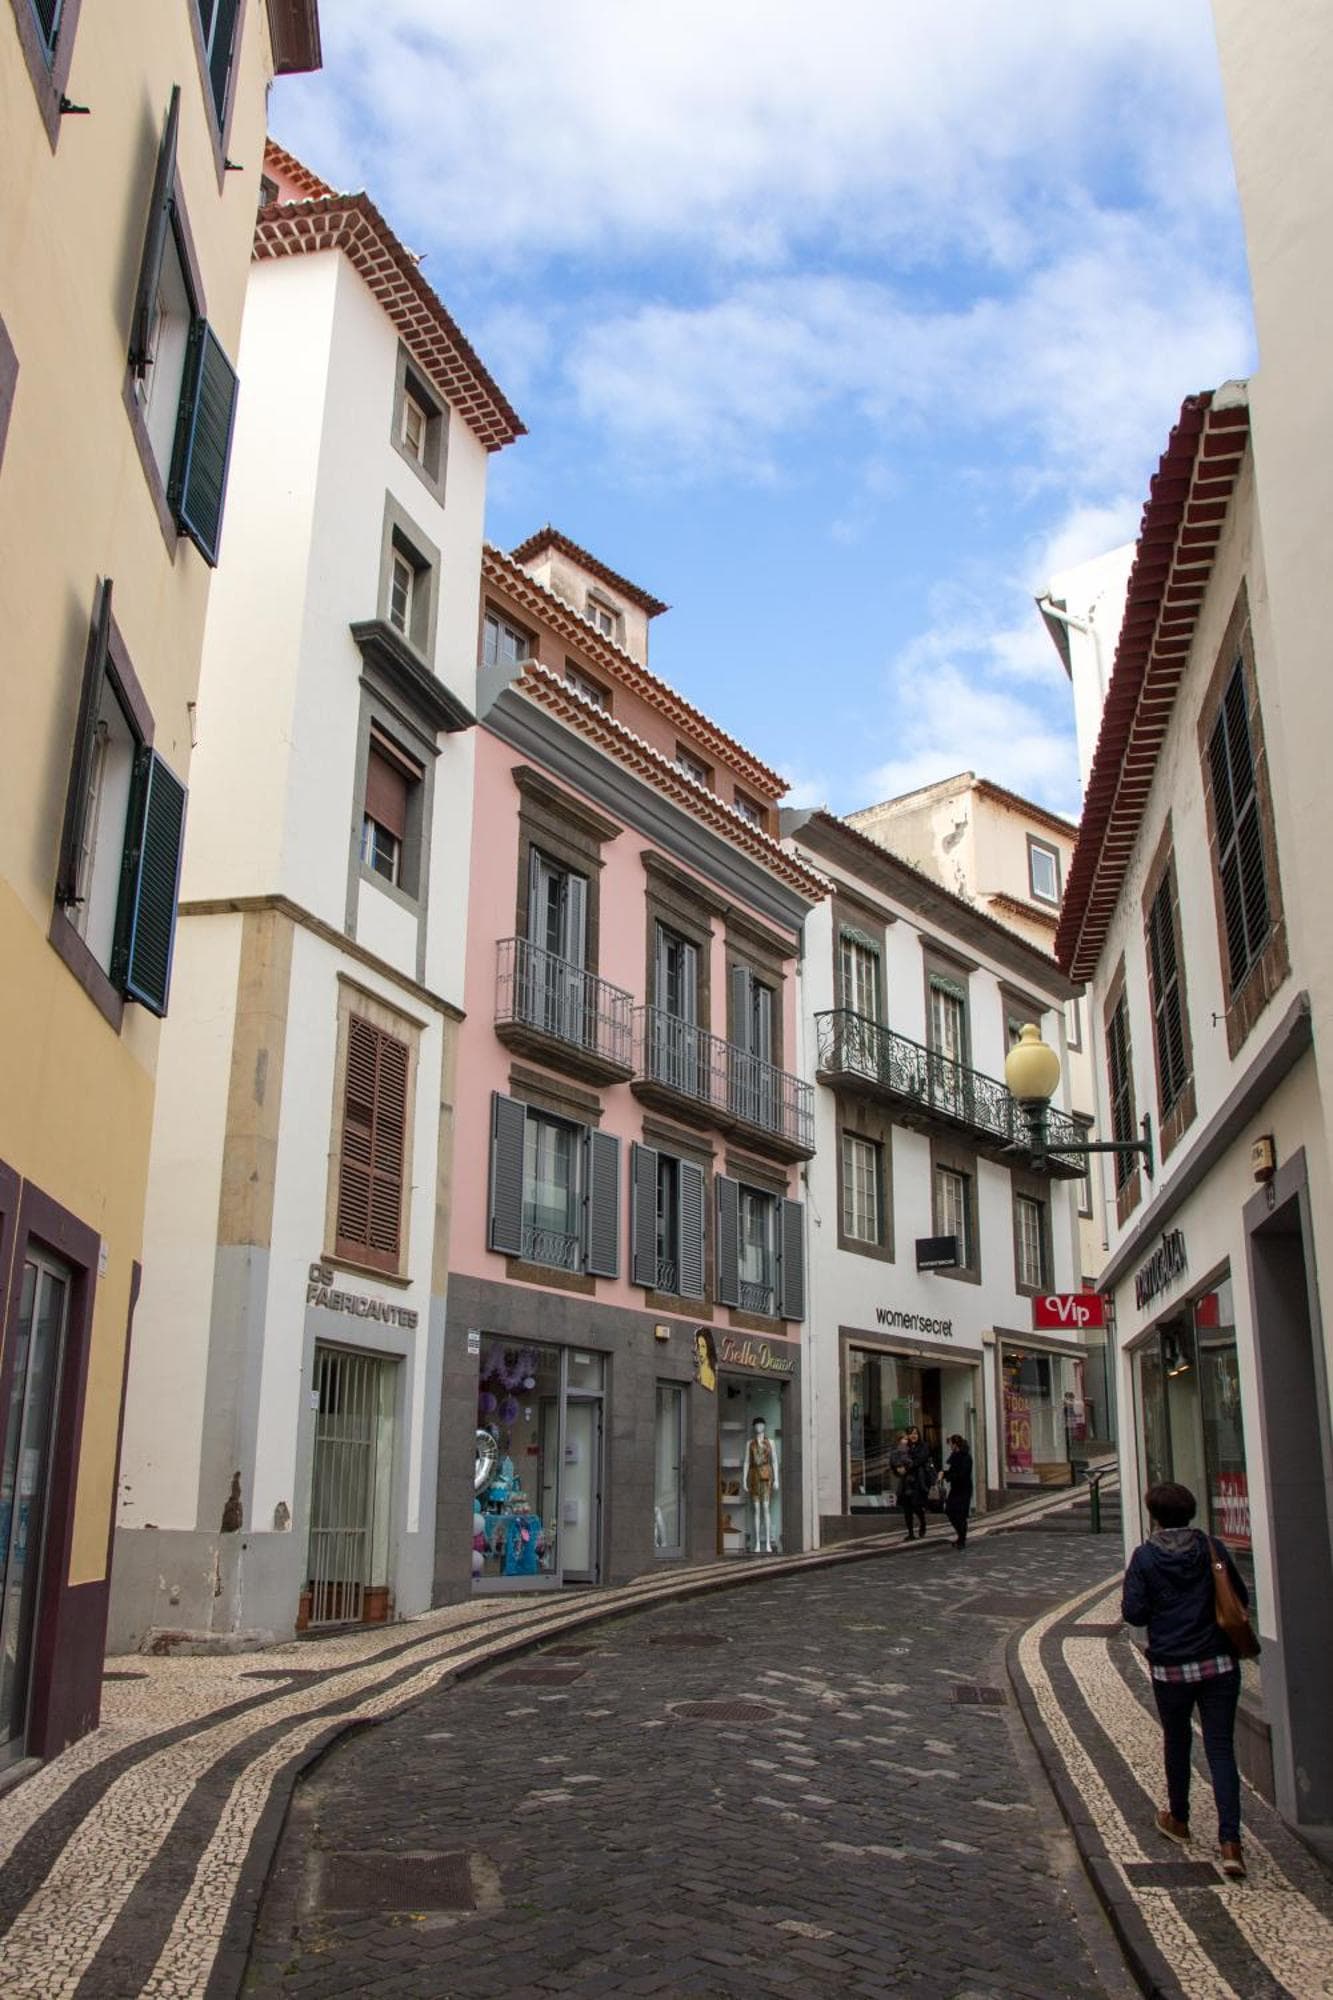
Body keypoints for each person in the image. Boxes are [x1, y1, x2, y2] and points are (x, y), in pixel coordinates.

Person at [1121, 1481, 1249, 1879]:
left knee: (1177, 1741)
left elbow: (1134, 1613)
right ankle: (1231, 1843)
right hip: (1218, 1662)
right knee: (1221, 1748)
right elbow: (1240, 1597)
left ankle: (1179, 1818)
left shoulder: (1145, 1557)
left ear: (1154, 1516)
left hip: (1172, 1667)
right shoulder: (1211, 1548)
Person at [891, 1426, 932, 1540]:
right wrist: (897, 1468)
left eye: (916, 1433)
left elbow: (920, 1460)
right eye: (911, 1433)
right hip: (906, 1481)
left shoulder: (923, 1446)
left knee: (916, 1505)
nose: (914, 1436)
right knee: (907, 1508)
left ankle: (922, 1522)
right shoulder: (904, 1446)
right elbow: (896, 1459)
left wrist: (907, 1467)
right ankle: (910, 1533)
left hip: (918, 1480)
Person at [943, 1433, 973, 1548]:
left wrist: (948, 1476)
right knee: (950, 1511)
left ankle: (962, 1540)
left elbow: (962, 1474)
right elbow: (952, 1471)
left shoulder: (966, 1457)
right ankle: (960, 1536)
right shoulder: (955, 1456)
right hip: (955, 1489)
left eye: (951, 1444)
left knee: (961, 1515)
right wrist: (944, 1474)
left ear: (955, 1444)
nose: (950, 1446)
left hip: (964, 1489)